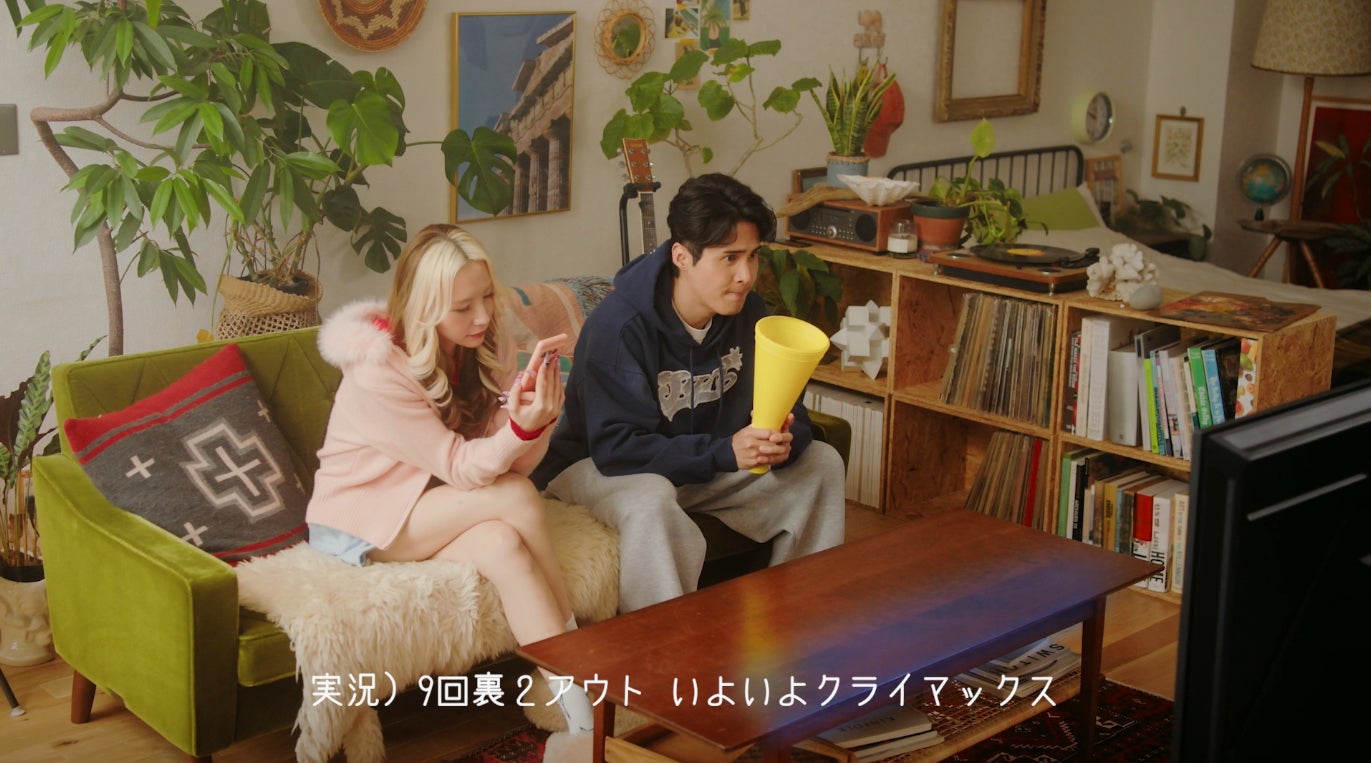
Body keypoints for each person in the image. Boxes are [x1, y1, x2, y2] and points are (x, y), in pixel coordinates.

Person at [305, 224, 594, 738]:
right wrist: (522, 428)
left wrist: (540, 417)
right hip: (365, 519)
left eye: (487, 296)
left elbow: (511, 466)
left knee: (503, 545)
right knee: (516, 498)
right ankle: (581, 658)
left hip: (441, 503)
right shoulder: (377, 369)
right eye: (463, 307)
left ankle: (577, 714)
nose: (482, 315)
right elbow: (464, 467)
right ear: (423, 307)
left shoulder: (486, 344)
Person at [532, 173, 846, 612]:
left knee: (821, 464)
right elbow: (615, 448)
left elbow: (791, 410)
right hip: (602, 467)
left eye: (753, 256)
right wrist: (724, 452)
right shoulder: (619, 327)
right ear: (681, 256)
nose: (745, 275)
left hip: (700, 464)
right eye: (729, 258)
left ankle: (801, 613)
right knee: (651, 499)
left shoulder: (749, 312)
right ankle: (664, 641)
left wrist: (783, 439)